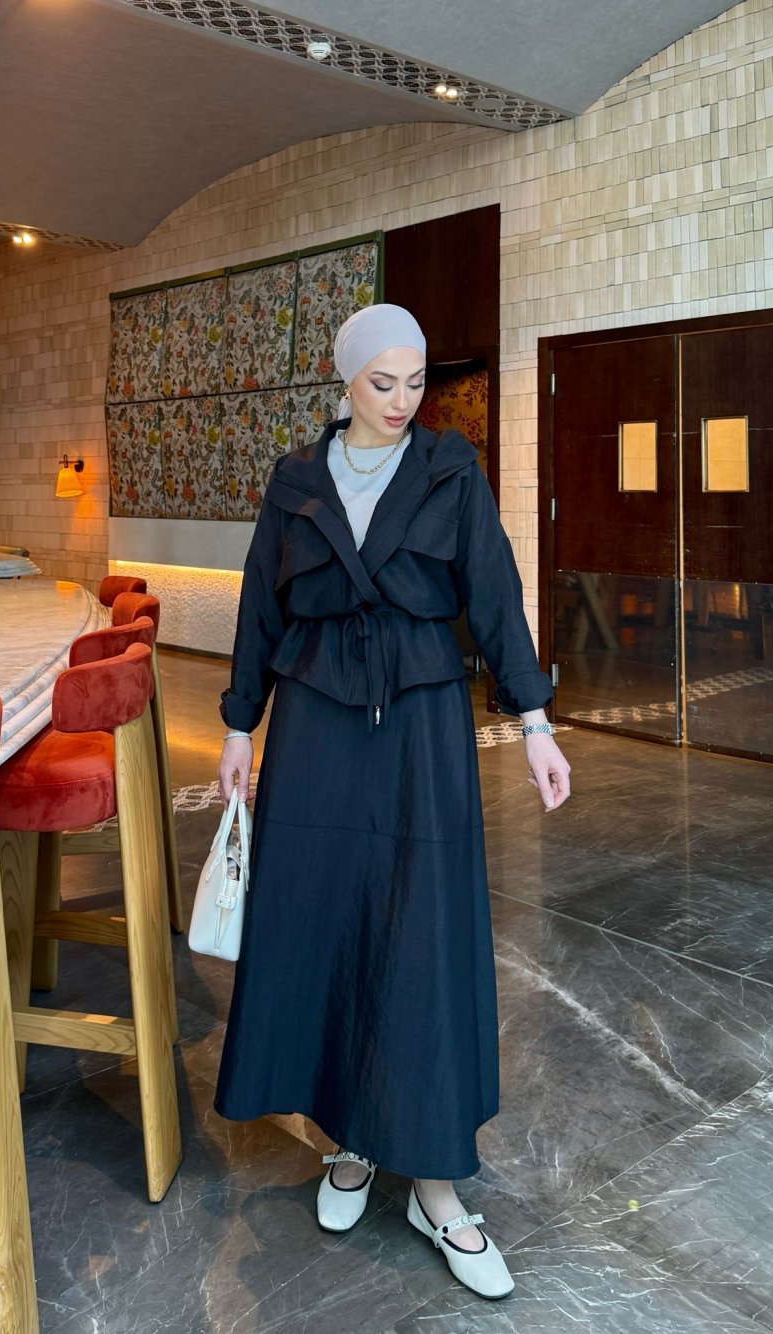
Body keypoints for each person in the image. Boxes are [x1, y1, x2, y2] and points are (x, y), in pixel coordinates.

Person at [215, 303, 570, 1300]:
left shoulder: (451, 471)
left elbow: (493, 594)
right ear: (346, 378)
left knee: (421, 936)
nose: (403, 400)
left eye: (417, 382)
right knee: (328, 923)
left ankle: (436, 1186)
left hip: (420, 722)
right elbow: (260, 604)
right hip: (316, 724)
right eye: (384, 382)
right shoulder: (295, 480)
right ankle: (351, 1138)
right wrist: (238, 725)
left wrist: (535, 721)